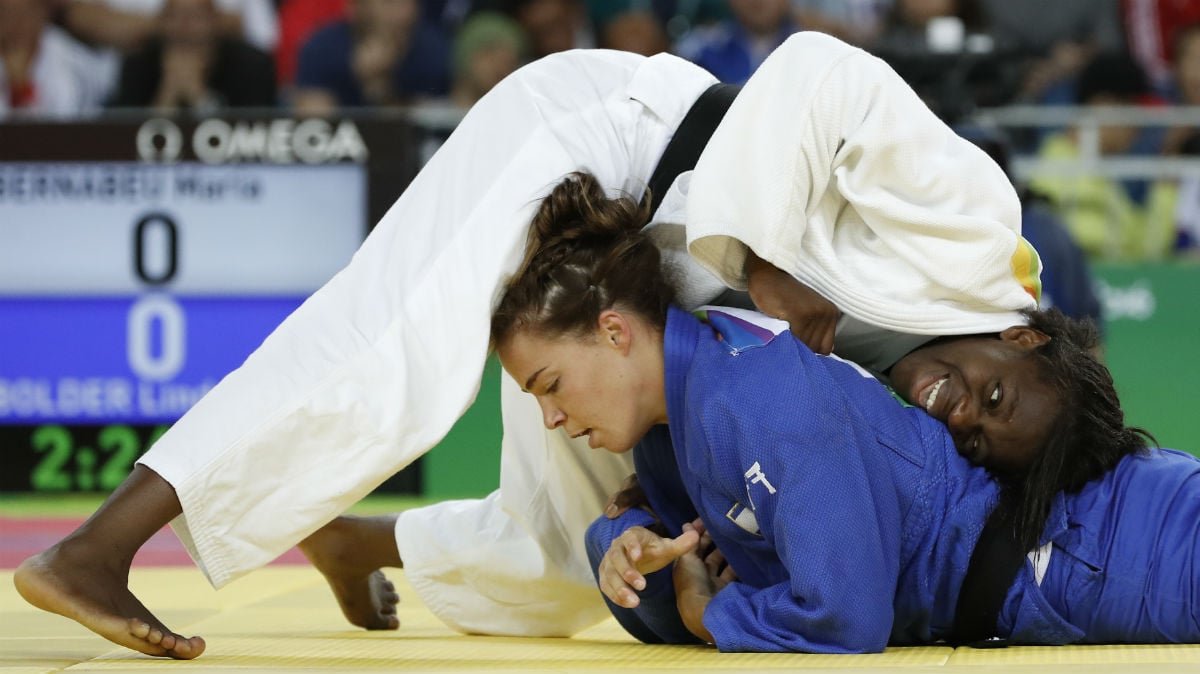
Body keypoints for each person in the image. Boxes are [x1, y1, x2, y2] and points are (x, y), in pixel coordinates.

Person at [16, 32, 1051, 658]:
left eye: (968, 434)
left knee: (576, 561)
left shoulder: (919, 389)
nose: (950, 410)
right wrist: (769, 258)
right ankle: (96, 547)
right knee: (399, 349)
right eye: (987, 396)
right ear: (1022, 332)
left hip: (650, 298)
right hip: (611, 137)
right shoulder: (975, 228)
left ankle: (360, 541)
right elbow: (817, 74)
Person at [489, 174, 1175, 651]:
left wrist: (706, 611)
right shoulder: (676, 432)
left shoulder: (757, 393)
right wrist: (628, 549)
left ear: (615, 332)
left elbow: (843, 621)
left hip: (1105, 541)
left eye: (550, 385)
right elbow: (676, 592)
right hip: (1063, 555)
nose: (551, 418)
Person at [108, 0, 277, 112]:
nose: (184, 28)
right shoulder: (138, 63)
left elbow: (252, 135)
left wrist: (199, 97)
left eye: (195, 17)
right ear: (160, 23)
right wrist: (167, 96)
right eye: (174, 17)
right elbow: (125, 139)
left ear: (215, 22)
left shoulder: (251, 65)